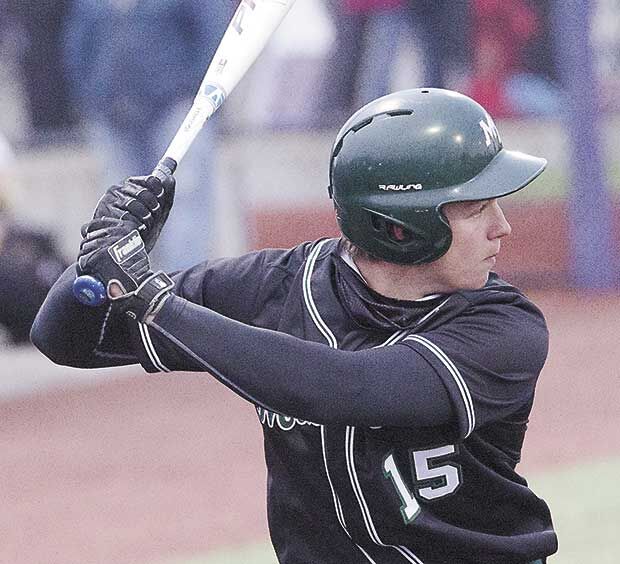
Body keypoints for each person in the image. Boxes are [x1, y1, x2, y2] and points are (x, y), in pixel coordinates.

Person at [31, 88, 558, 564]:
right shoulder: (276, 284)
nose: (501, 227)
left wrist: (156, 303)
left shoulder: (504, 327)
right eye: (476, 210)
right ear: (401, 226)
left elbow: (346, 389)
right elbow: (65, 339)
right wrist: (98, 256)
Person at [62, 0, 234, 268]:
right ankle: (128, 288)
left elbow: (215, 37)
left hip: (175, 107)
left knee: (184, 198)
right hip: (112, 112)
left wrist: (198, 94)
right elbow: (76, 42)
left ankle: (183, 285)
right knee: (120, 207)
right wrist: (91, 95)